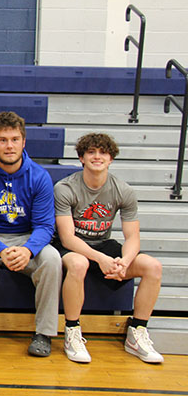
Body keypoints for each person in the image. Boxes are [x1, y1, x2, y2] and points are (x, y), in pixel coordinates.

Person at [54, 133, 163, 364]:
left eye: (102, 152)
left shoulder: (123, 190)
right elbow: (67, 238)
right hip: (75, 246)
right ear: (81, 158)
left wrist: (124, 260)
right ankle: (72, 331)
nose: (97, 157)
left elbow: (133, 236)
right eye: (91, 152)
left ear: (111, 158)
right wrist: (101, 259)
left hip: (104, 244)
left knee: (152, 266)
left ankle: (137, 332)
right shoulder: (65, 188)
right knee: (78, 262)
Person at [0, 111, 61, 357]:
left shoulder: (39, 176)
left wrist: (28, 249)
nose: (9, 146)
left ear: (23, 141)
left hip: (26, 237)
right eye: (3, 140)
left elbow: (45, 226)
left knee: (52, 259)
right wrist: (1, 250)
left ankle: (43, 333)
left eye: (15, 139)